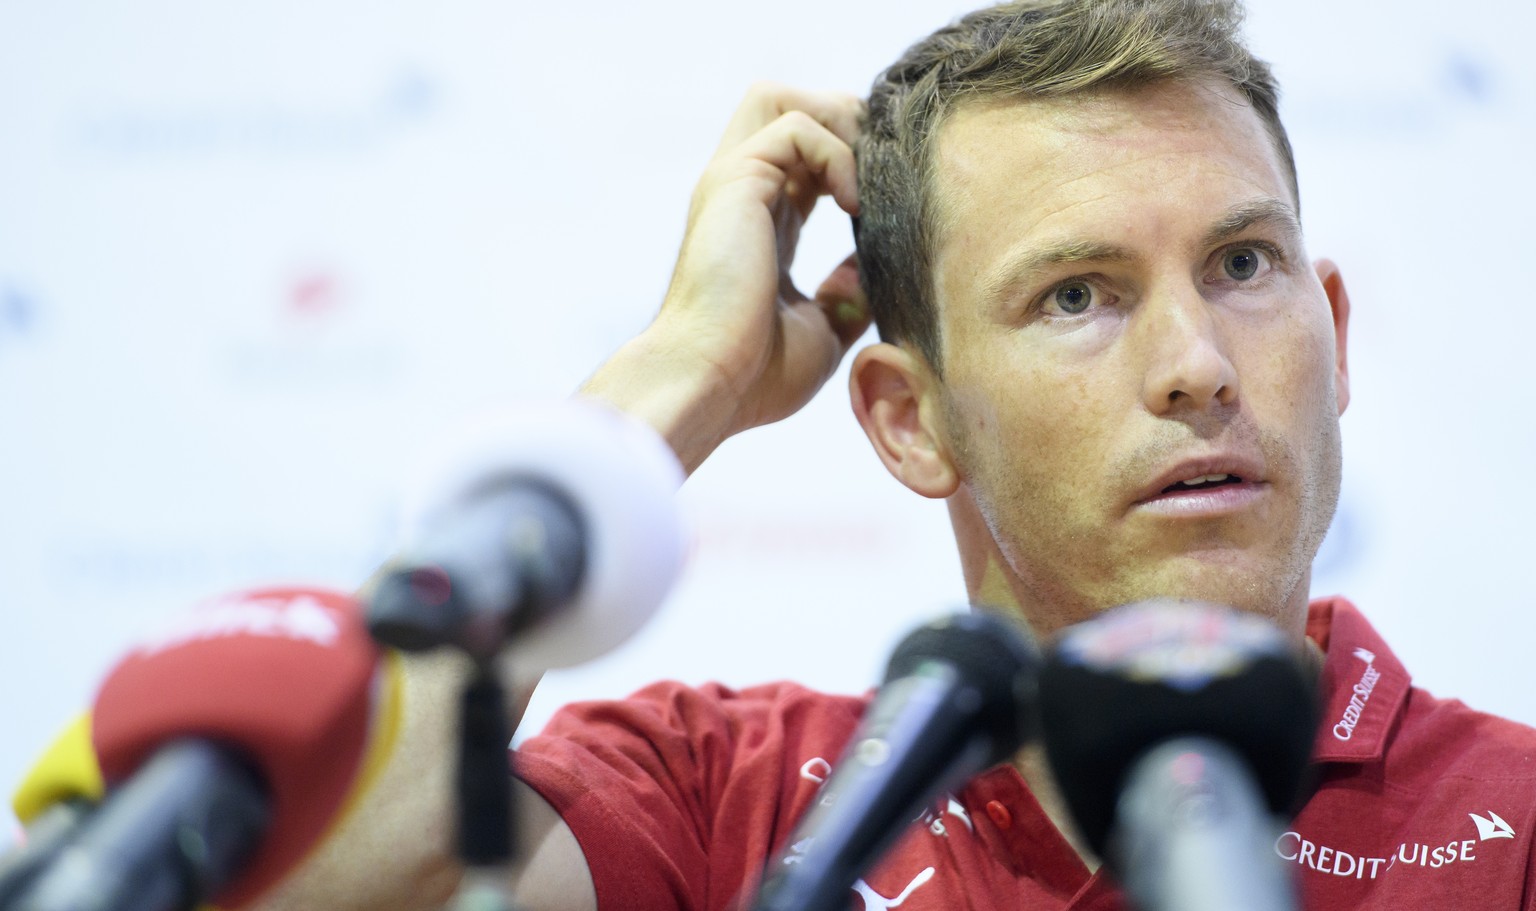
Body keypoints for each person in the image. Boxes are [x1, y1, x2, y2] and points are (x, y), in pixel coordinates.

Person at [255, 0, 1536, 909]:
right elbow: (295, 875)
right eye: (1077, 294)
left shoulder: (1514, 820)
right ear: (908, 421)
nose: (1196, 361)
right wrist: (681, 372)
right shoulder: (725, 803)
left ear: (1340, 334)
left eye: (1242, 265)